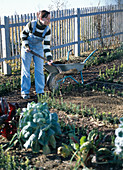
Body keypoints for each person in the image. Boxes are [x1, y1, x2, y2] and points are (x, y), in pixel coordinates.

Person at [21, 10, 53, 99]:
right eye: (47, 19)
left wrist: (49, 58)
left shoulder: (47, 30)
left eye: (50, 19)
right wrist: (26, 46)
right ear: (40, 18)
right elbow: (23, 35)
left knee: (39, 70)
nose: (49, 21)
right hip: (27, 48)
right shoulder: (31, 25)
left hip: (38, 49)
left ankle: (40, 91)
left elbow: (46, 45)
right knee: (25, 70)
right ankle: (25, 92)